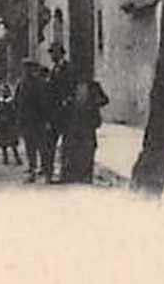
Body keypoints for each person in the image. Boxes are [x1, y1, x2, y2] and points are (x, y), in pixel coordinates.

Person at [59, 78, 110, 183]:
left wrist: (94, 103)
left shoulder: (94, 86)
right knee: (71, 147)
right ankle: (70, 175)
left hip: (88, 122)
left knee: (88, 148)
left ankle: (86, 176)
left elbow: (105, 100)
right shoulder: (70, 84)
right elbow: (63, 100)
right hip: (74, 121)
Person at [41, 43, 75, 183]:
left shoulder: (68, 69)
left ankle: (65, 174)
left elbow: (72, 88)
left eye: (53, 53)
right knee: (49, 144)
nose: (51, 56)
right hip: (54, 113)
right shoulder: (54, 70)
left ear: (60, 54)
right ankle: (48, 174)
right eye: (50, 53)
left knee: (67, 145)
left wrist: (67, 100)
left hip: (66, 113)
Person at [15, 59, 47, 182]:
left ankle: (44, 168)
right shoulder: (21, 83)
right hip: (26, 120)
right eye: (25, 68)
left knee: (41, 145)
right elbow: (16, 102)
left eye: (30, 68)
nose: (27, 71)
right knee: (30, 146)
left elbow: (44, 102)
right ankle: (32, 170)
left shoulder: (39, 83)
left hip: (38, 120)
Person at [0, 82, 22, 166]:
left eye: (6, 91)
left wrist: (16, 124)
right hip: (2, 126)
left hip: (10, 125)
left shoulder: (12, 102)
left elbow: (15, 113)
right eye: (2, 91)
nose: (4, 92)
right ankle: (5, 158)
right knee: (3, 143)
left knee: (13, 143)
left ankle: (17, 158)